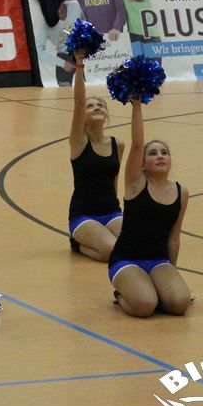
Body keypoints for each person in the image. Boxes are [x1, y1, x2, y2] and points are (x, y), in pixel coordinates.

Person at [108, 97, 190, 317]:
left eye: (164, 152)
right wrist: (136, 106)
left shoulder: (181, 192)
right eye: (153, 153)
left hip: (158, 260)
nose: (160, 156)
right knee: (145, 306)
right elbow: (137, 144)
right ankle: (121, 294)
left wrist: (171, 273)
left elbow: (174, 237)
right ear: (142, 164)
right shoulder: (136, 184)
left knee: (180, 304)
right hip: (127, 259)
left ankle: (156, 289)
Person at [67, 50, 125, 261]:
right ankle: (77, 244)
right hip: (83, 215)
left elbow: (114, 182)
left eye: (100, 105)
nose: (96, 107)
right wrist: (79, 64)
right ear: (82, 116)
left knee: (134, 246)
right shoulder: (79, 142)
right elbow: (78, 103)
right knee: (112, 251)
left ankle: (100, 239)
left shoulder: (118, 144)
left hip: (112, 212)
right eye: (90, 106)